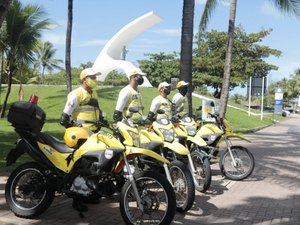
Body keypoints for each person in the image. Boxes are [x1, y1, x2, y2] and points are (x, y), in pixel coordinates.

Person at [60, 67, 104, 132]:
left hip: (95, 130)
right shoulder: (76, 94)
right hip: (82, 133)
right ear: (84, 79)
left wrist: (101, 118)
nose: (94, 80)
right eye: (92, 78)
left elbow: (96, 109)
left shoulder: (94, 93)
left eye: (95, 78)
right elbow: (63, 119)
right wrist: (74, 126)